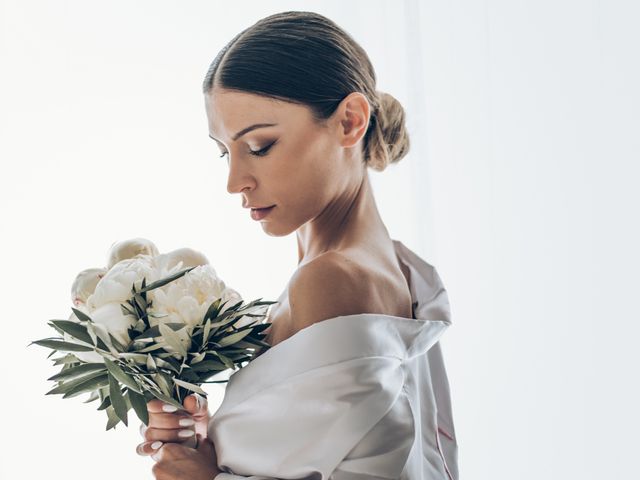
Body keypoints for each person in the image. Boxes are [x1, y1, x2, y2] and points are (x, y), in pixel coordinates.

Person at [135, 10, 458, 480]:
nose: (234, 182)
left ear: (349, 122)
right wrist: (211, 439)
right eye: (226, 152)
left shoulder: (330, 280)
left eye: (261, 145)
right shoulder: (400, 267)